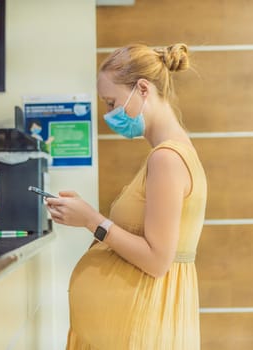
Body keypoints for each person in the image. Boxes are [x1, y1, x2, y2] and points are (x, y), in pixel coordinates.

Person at [45, 43, 207, 350]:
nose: (109, 114)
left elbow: (157, 261)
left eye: (111, 102)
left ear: (143, 89)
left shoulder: (167, 159)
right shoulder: (166, 155)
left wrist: (91, 220)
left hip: (140, 329)